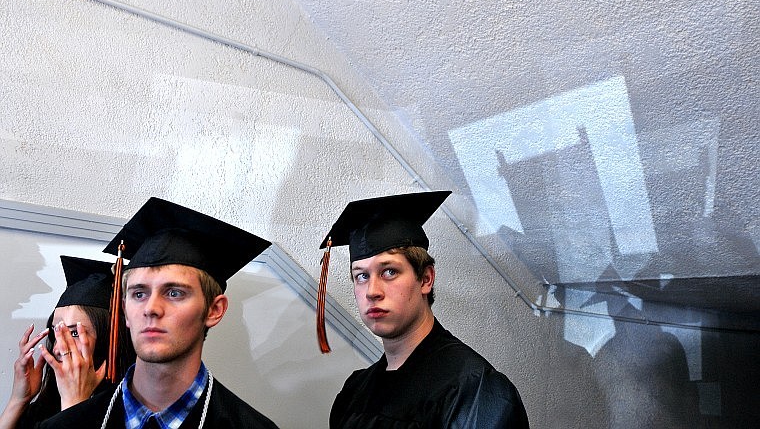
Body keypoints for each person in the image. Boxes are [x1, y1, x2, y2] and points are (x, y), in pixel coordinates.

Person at [39, 197, 279, 428]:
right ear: (123, 309)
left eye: (174, 293)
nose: (151, 308)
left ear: (214, 310)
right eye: (139, 294)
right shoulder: (66, 424)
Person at [323, 190, 529, 428]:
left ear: (425, 279)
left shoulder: (472, 390)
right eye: (361, 276)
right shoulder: (355, 390)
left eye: (389, 271)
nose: (372, 291)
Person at [0, 255, 135, 429]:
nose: (58, 347)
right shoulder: (45, 408)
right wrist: (18, 400)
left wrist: (75, 405)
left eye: (74, 332)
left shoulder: (130, 412)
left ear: (109, 340)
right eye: (56, 333)